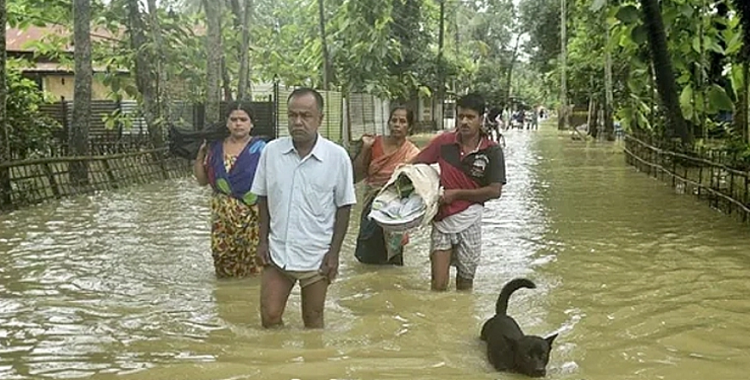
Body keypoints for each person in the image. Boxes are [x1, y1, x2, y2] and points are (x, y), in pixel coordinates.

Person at [251, 87, 356, 329]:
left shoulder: (337, 157)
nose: (298, 122)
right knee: (270, 317)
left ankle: (315, 366)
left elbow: (344, 207)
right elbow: (263, 199)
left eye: (306, 116)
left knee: (313, 321)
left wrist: (334, 254)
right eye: (292, 115)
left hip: (317, 257)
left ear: (320, 119)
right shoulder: (271, 152)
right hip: (278, 253)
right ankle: (277, 365)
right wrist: (262, 241)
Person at [412, 93, 506, 291]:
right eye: (461, 116)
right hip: (442, 219)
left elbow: (495, 191)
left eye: (470, 117)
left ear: (481, 119)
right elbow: (416, 165)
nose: (464, 121)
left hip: (470, 221)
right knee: (438, 286)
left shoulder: (492, 151)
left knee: (465, 285)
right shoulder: (443, 142)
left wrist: (457, 194)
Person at [194, 102, 266, 278]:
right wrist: (200, 156)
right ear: (227, 123)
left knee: (254, 268)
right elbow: (202, 181)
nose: (238, 123)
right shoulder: (214, 148)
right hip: (222, 223)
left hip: (253, 221)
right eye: (233, 119)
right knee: (222, 263)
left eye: (243, 119)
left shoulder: (263, 150)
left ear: (251, 123)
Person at [352, 106, 420, 266]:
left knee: (393, 257)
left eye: (402, 121)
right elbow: (357, 176)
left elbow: (412, 188)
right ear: (388, 123)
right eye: (394, 120)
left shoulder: (413, 153)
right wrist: (365, 149)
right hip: (372, 204)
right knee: (366, 249)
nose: (397, 124)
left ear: (409, 127)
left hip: (396, 208)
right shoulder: (374, 144)